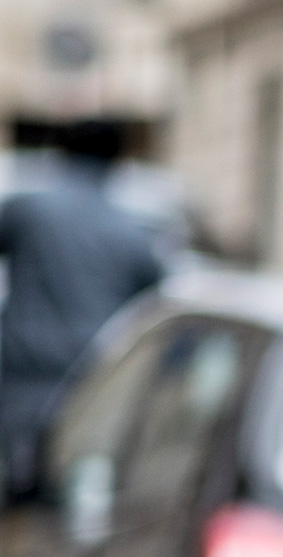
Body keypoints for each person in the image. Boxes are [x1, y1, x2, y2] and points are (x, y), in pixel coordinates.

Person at [0, 126, 166, 499]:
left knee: (19, 484)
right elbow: (153, 302)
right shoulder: (132, 233)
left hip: (24, 372)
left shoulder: (30, 211)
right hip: (92, 374)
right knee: (71, 483)